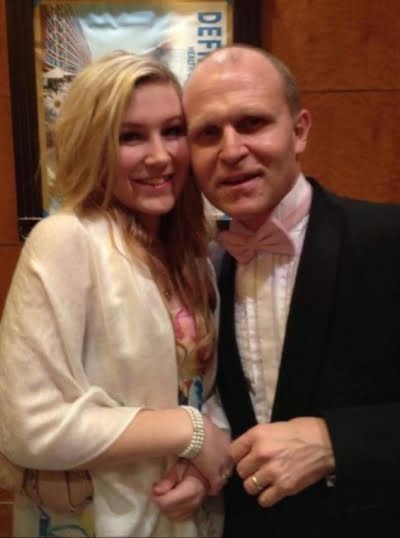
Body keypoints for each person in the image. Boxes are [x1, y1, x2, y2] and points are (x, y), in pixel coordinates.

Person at [0, 50, 231, 538]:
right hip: (99, 520)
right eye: (130, 136)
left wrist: (199, 468)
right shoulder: (65, 240)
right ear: (93, 145)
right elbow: (28, 427)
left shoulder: (191, 250)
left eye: (172, 130)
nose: (160, 156)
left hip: (182, 518)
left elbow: (202, 389)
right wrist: (189, 433)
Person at [182, 43, 400, 537]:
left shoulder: (389, 239)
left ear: (299, 131)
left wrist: (335, 442)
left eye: (253, 123)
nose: (232, 150)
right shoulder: (204, 268)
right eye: (208, 133)